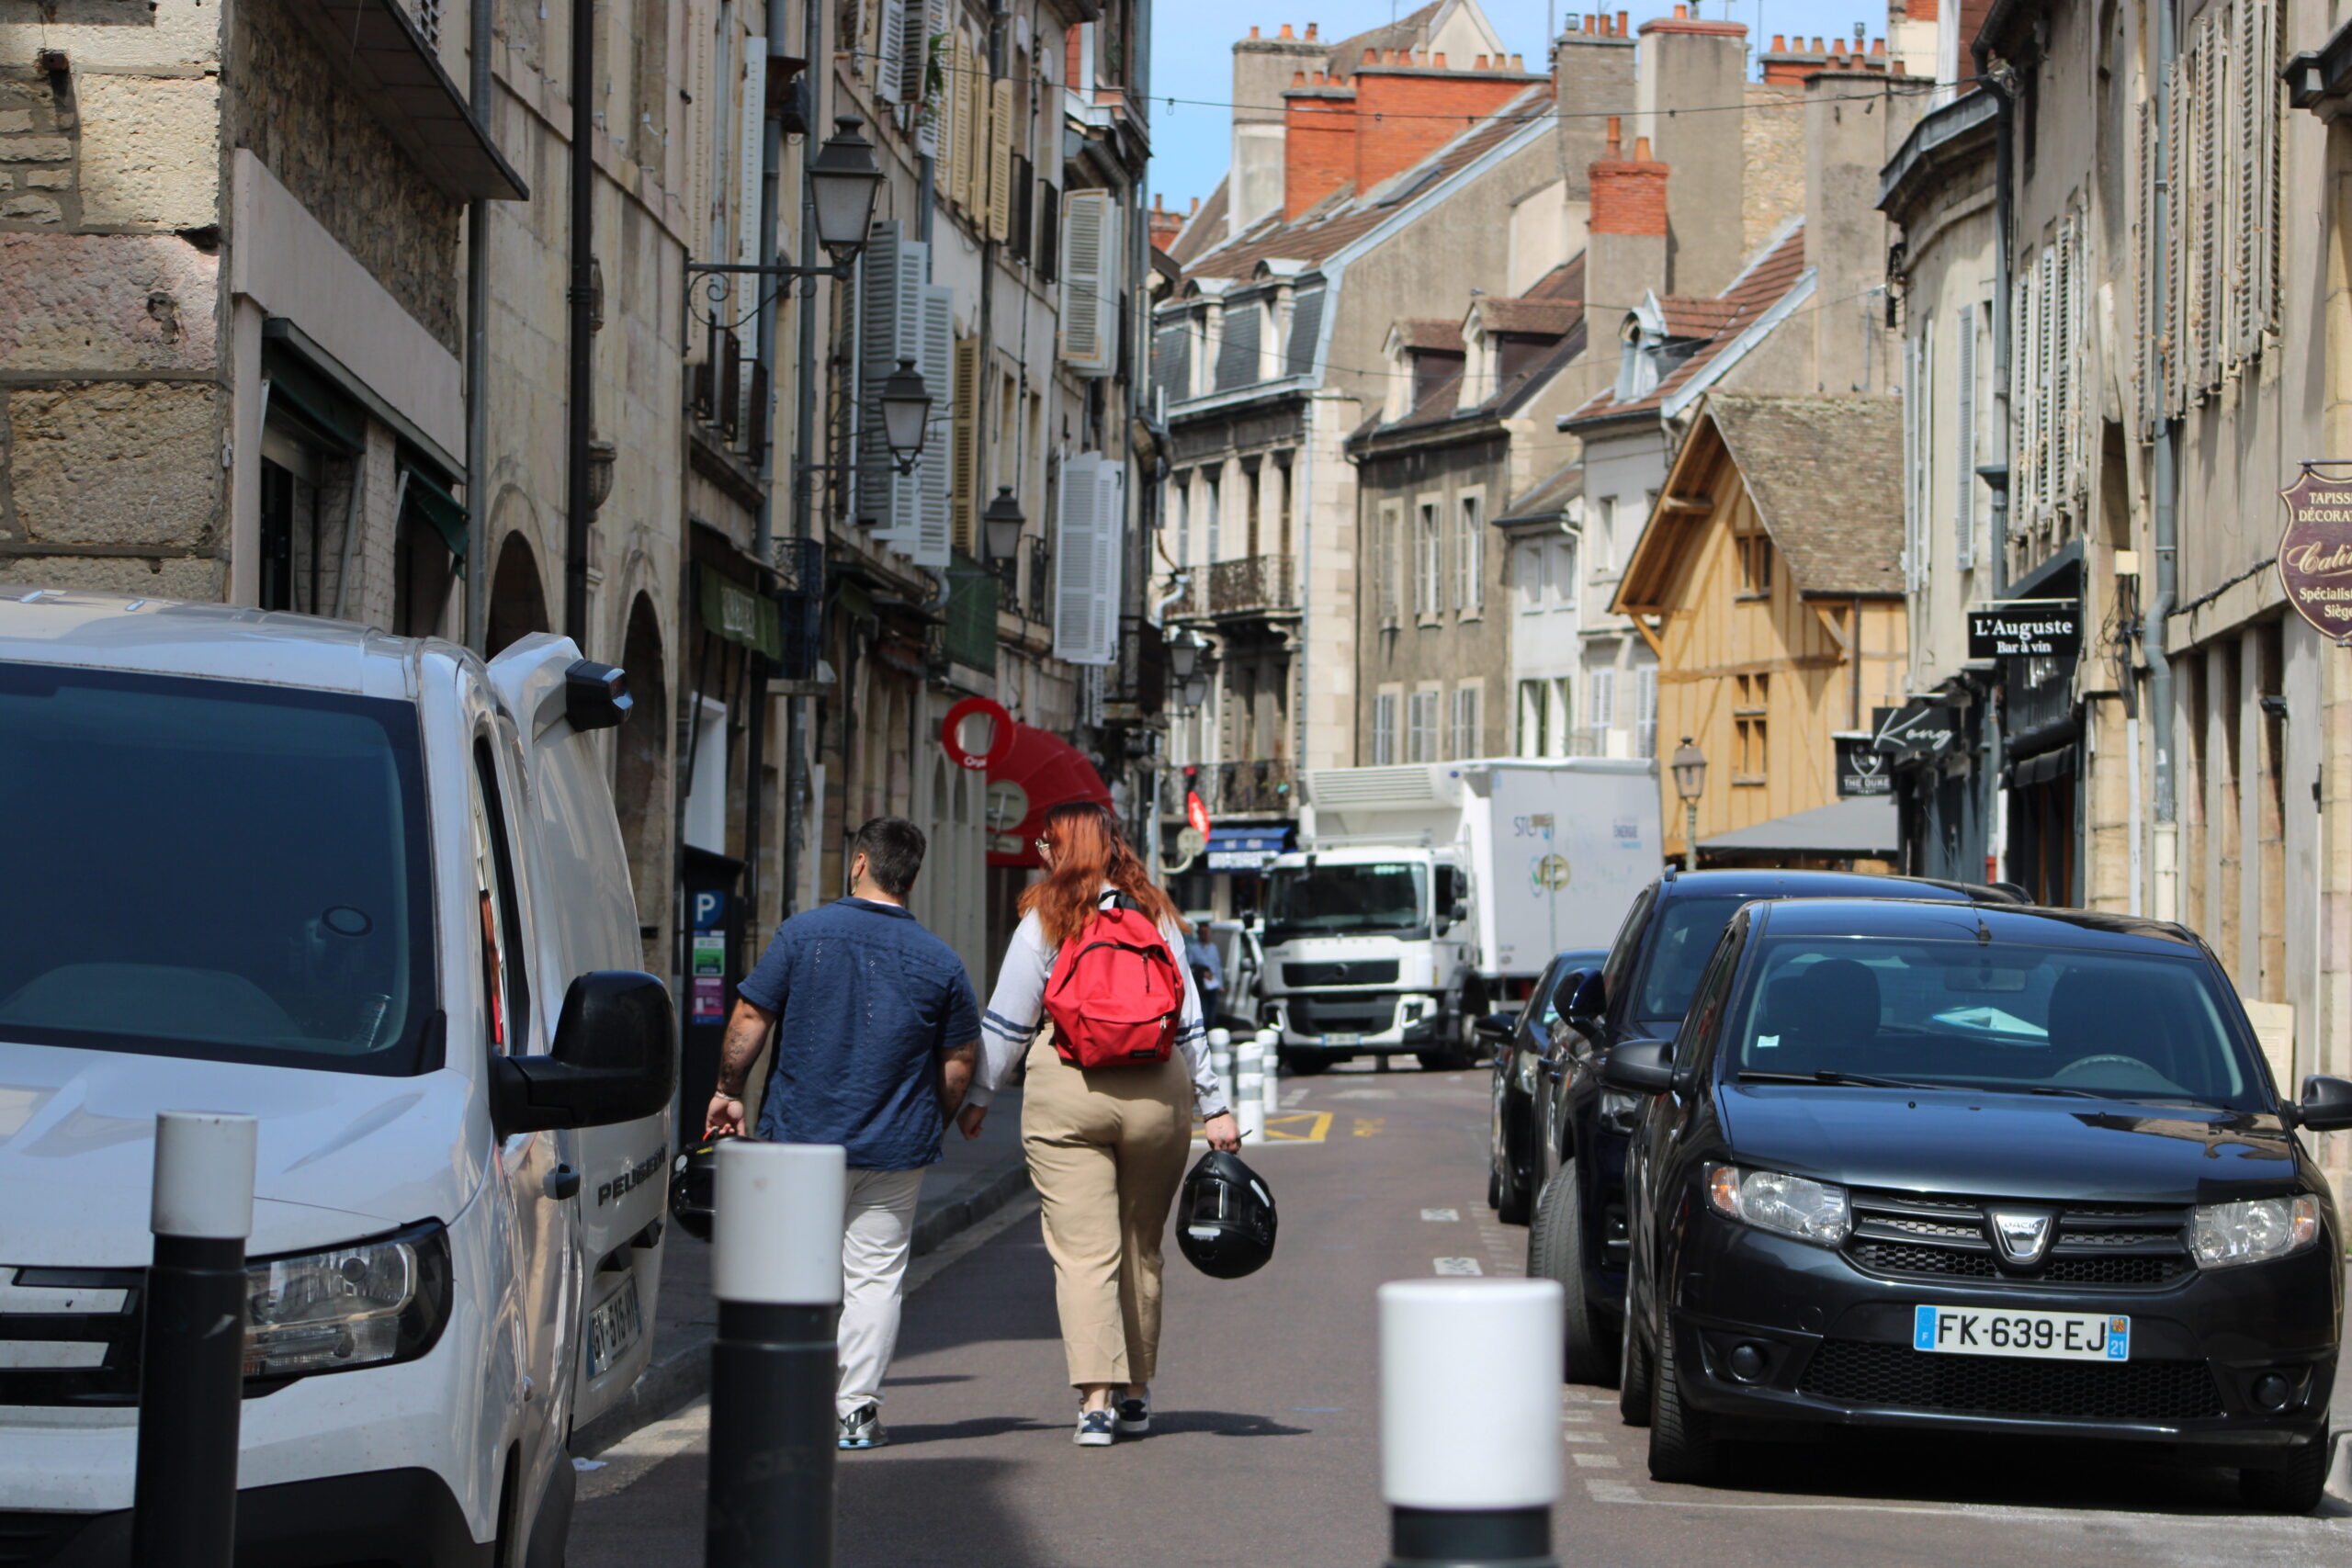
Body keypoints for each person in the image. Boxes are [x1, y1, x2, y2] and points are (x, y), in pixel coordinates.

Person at [958, 803, 1241, 1447]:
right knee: (1141, 1248)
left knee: (1085, 1253)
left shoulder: (1044, 918)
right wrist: (1215, 1106)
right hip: (1156, 1091)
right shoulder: (1158, 916)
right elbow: (1191, 1021)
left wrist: (979, 1095)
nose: (1039, 850)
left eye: (1044, 841)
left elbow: (1007, 1020)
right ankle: (1138, 1395)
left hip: (1068, 1085)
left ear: (1064, 848)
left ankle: (1094, 1403)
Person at [706, 817, 980, 1452]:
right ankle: (856, 1410)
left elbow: (751, 1014)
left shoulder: (804, 935)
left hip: (800, 1139)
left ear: (859, 863)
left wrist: (727, 1091)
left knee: (792, 1271)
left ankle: (781, 1404)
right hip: (893, 1148)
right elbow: (960, 1062)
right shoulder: (941, 961)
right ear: (909, 879)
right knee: (876, 1276)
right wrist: (926, 1121)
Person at [1183, 915, 1225, 1028]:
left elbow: (1218, 966)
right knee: (1204, 1011)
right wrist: (1201, 973)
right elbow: (1190, 966)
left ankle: (1212, 1031)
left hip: (1213, 984)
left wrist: (1221, 984)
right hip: (1202, 985)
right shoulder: (1194, 949)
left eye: (1207, 932)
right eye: (1203, 932)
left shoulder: (1213, 948)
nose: (1205, 935)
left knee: (1213, 1012)